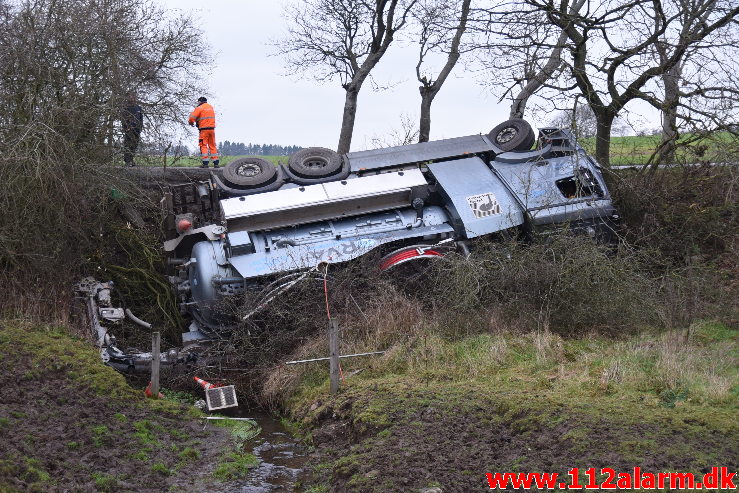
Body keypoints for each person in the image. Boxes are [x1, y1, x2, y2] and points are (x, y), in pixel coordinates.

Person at [188, 97, 219, 168]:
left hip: (204, 130)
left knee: (203, 145)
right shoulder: (211, 107)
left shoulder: (199, 108)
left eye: (198, 102)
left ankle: (205, 163)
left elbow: (192, 118)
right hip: (212, 129)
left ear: (200, 101)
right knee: (212, 145)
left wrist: (191, 123)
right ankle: (216, 163)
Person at [122, 93, 144, 167]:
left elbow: (141, 119)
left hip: (137, 130)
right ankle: (127, 161)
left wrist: (140, 128)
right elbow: (123, 119)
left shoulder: (138, 108)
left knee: (134, 145)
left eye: (134, 97)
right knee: (127, 144)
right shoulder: (125, 108)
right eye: (131, 97)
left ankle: (131, 159)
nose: (132, 98)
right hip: (128, 130)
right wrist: (126, 128)